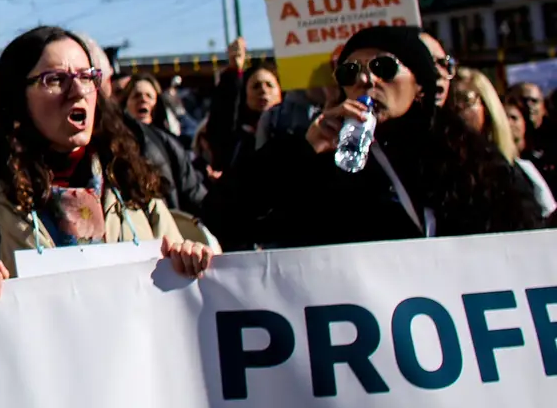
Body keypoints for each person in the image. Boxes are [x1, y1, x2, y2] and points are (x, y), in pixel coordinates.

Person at [0, 27, 213, 307]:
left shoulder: (128, 179)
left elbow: (183, 287)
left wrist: (189, 260)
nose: (78, 91)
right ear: (17, 98)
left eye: (86, 76)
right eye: (55, 79)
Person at [203, 26, 540, 248]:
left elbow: (523, 231)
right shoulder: (326, 158)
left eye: (383, 68)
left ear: (419, 85)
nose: (366, 80)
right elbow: (222, 216)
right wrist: (303, 150)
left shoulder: (465, 153)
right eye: (351, 72)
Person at [454, 70, 555, 220]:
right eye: (452, 101)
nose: (457, 109)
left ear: (487, 108)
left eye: (466, 100)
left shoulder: (520, 172)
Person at [120, 72, 208, 216]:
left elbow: (191, 190)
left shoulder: (171, 142)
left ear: (158, 103)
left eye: (149, 96)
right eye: (136, 95)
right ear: (125, 104)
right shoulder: (116, 142)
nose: (143, 99)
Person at [202, 39, 282, 175]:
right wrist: (234, 71)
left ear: (280, 92)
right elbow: (221, 118)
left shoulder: (293, 128)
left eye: (269, 85)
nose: (263, 90)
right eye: (255, 86)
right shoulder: (237, 141)